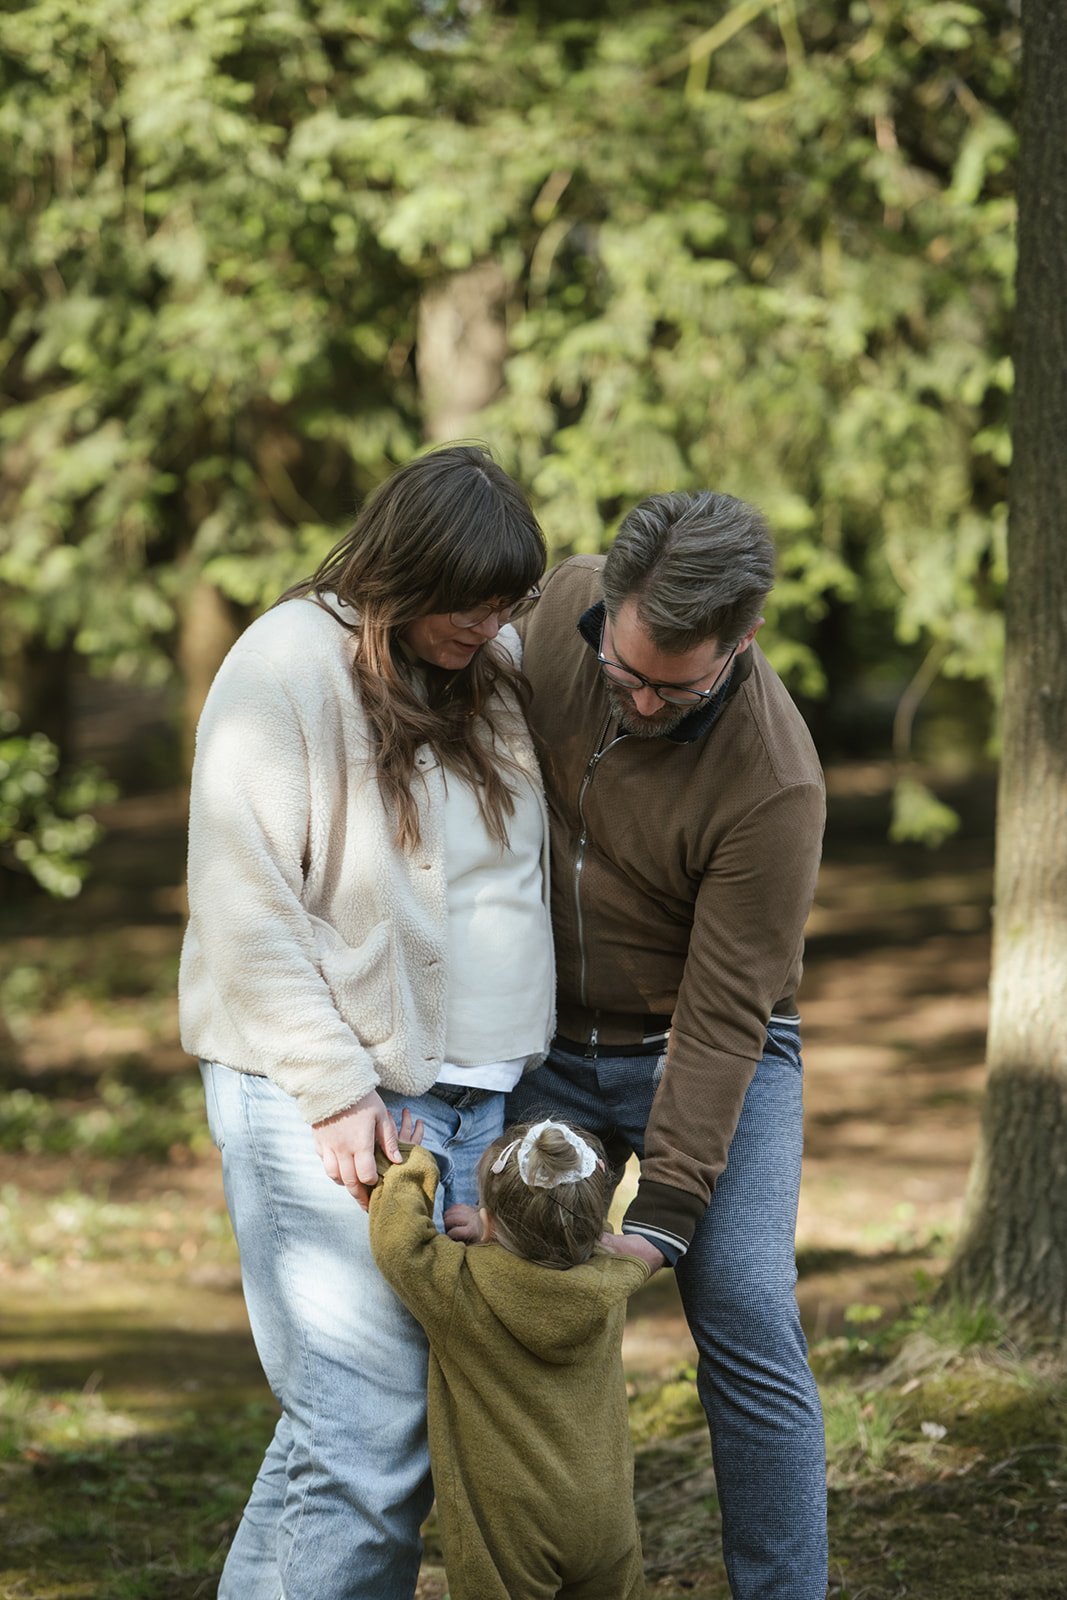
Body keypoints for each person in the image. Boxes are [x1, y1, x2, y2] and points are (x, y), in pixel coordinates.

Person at [178, 445, 556, 1600]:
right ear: (401, 568)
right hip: (333, 1098)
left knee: (362, 1438)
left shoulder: (486, 661)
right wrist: (336, 1087)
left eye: (507, 601)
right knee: (363, 1435)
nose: (489, 622)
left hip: (467, 1098)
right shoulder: (285, 665)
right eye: (467, 598)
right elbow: (245, 907)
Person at [500, 489, 828, 1600]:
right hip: (534, 1040)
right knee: (496, 1301)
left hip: (703, 1038)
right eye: (620, 668)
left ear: (740, 642)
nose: (634, 700)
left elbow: (730, 1004)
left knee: (741, 1305)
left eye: (669, 686)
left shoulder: (772, 779)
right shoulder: (557, 619)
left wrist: (668, 1208)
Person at [369, 1112, 649, 1600]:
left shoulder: (461, 1287)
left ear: (494, 1220)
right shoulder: (610, 1284)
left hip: (512, 1525)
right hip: (605, 1513)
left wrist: (409, 1169)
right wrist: (492, 1231)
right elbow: (567, 1238)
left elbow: (398, 1244)